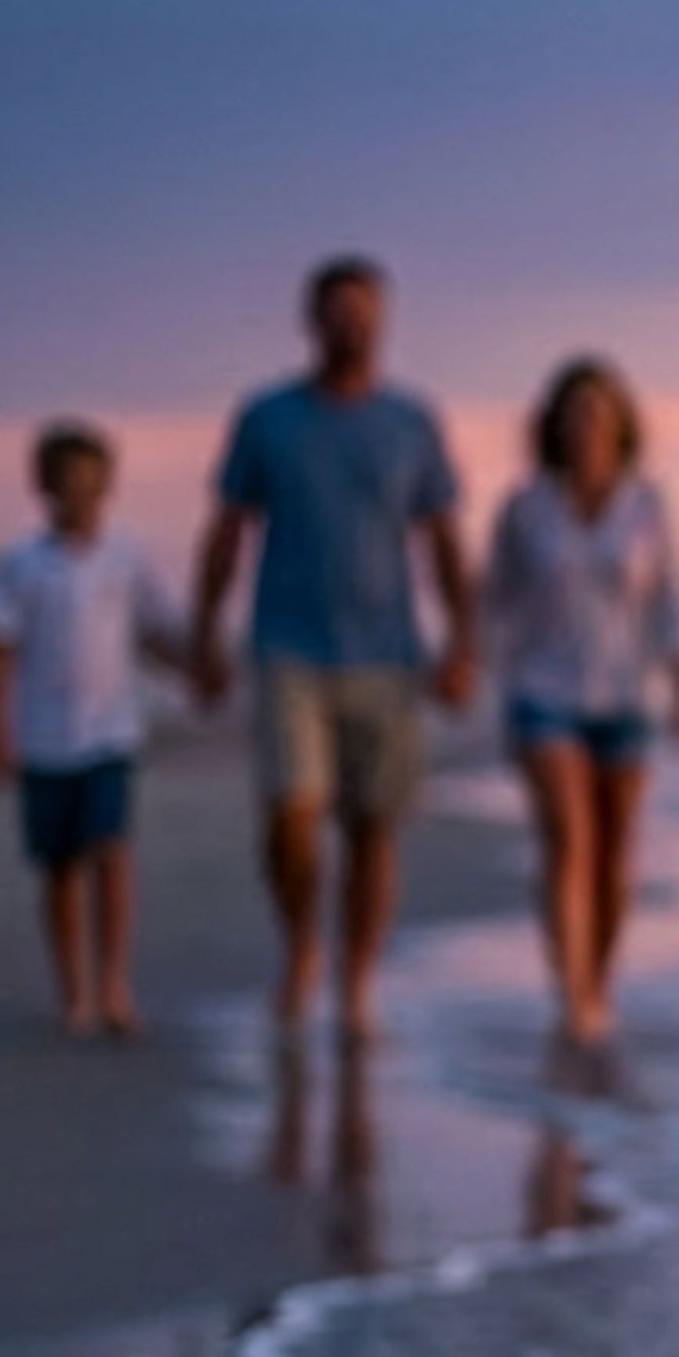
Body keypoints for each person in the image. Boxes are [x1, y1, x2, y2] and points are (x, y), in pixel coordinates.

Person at [190, 257, 474, 1041]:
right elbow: (227, 531)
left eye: (364, 311)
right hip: (288, 647)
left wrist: (463, 643)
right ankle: (300, 949)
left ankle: (356, 985)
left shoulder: (411, 422)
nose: (351, 325)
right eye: (336, 311)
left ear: (383, 322)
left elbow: (443, 540)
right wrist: (204, 634)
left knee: (373, 828)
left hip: (388, 652)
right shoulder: (268, 418)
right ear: (311, 321)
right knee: (292, 813)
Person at [482, 355, 679, 1048]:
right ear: (555, 425)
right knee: (569, 839)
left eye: (599, 414)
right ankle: (573, 992)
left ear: (620, 425)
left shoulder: (648, 506)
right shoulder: (526, 508)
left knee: (614, 853)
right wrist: (471, 663)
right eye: (574, 414)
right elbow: (493, 600)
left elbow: (674, 599)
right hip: (543, 692)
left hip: (626, 695)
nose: (586, 426)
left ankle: (597, 982)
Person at [0, 419, 187, 1038]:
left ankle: (115, 985)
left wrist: (196, 670)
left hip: (109, 733)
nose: (81, 496)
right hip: (43, 737)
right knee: (59, 867)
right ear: (45, 489)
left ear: (108, 486)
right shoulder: (21, 565)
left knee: (111, 851)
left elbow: (153, 632)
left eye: (92, 484)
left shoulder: (126, 556)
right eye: (68, 484)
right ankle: (74, 993)